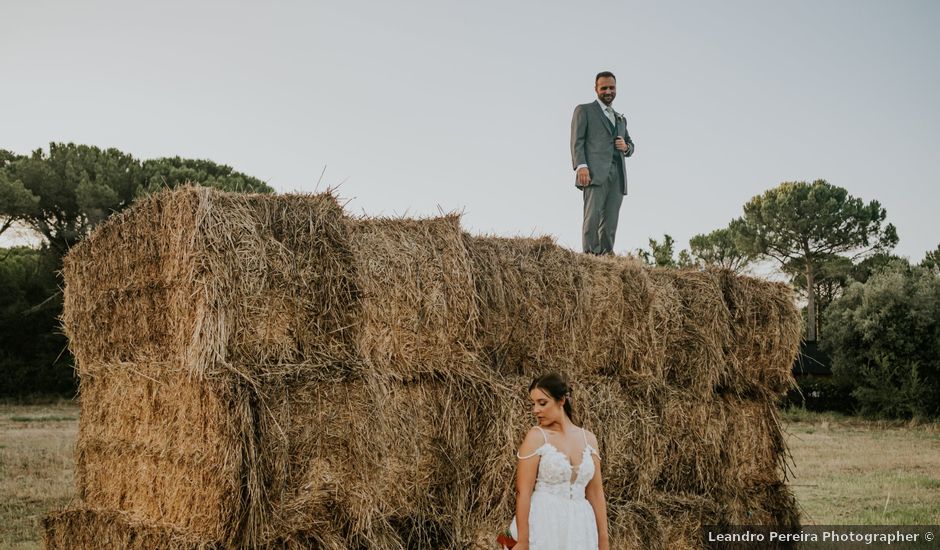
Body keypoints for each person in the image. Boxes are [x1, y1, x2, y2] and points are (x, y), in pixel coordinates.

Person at [507, 373, 610, 550]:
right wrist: (523, 539)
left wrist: (603, 539)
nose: (535, 410)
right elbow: (522, 491)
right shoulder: (537, 437)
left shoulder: (589, 440)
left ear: (561, 400)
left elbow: (596, 493)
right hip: (545, 519)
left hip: (580, 524)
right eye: (534, 403)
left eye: (542, 403)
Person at [570, 71, 635, 255]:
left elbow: (631, 145)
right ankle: (590, 255)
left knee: (611, 219)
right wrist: (581, 166)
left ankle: (606, 256)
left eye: (611, 88)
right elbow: (577, 140)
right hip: (594, 172)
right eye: (604, 88)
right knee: (592, 216)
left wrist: (626, 147)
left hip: (618, 175)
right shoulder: (584, 110)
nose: (608, 91)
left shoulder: (621, 119)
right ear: (596, 89)